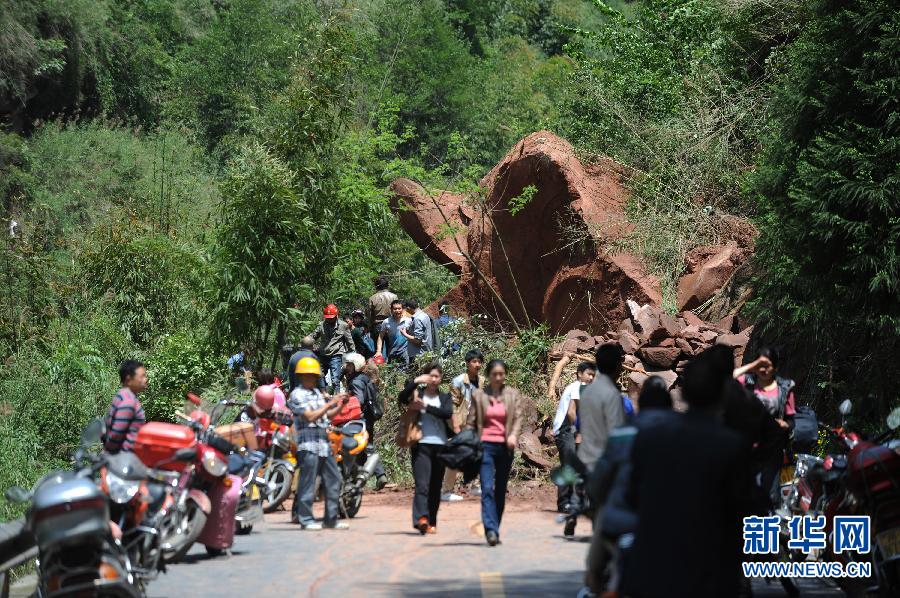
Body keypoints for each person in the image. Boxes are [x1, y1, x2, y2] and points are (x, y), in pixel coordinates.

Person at [623, 351, 749, 598]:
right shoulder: (732, 445)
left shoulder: (650, 437)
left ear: (685, 393)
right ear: (723, 393)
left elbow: (632, 497)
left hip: (651, 572)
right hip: (708, 576)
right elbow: (740, 510)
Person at [583, 376, 674, 595]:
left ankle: (594, 582)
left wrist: (593, 498)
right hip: (669, 522)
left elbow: (601, 478)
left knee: (594, 570)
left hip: (620, 521)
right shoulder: (681, 434)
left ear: (640, 405)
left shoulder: (622, 433)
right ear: (670, 407)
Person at [287, 356, 350, 530]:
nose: (312, 378)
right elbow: (310, 416)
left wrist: (340, 405)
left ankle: (331, 519)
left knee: (334, 480)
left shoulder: (316, 393)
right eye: (309, 375)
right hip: (308, 445)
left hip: (323, 444)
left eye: (314, 376)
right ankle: (305, 519)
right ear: (301, 376)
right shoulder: (296, 395)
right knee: (308, 483)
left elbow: (326, 416)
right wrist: (330, 402)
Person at [466, 359, 524, 546]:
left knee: (500, 490)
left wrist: (513, 436)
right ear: (489, 376)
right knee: (487, 489)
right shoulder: (479, 395)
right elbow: (471, 421)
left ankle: (495, 526)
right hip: (485, 447)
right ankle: (490, 530)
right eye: (494, 374)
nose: (498, 377)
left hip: (505, 448)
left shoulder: (512, 394)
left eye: (501, 374)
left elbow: (517, 418)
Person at [733, 347, 796, 504]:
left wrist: (784, 425)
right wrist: (753, 365)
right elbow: (728, 378)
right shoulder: (747, 382)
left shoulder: (785, 388)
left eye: (766, 365)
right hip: (746, 448)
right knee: (743, 495)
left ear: (775, 367)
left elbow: (791, 420)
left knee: (770, 496)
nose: (762, 369)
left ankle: (765, 526)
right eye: (759, 364)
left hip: (772, 451)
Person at [398, 362, 452, 534]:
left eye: (437, 376)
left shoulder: (445, 398)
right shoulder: (417, 394)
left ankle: (432, 521)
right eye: (431, 376)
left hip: (441, 446)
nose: (434, 380)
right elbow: (402, 397)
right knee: (422, 485)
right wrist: (415, 381)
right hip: (421, 445)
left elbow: (447, 413)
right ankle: (421, 518)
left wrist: (426, 407)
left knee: (435, 487)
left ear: (441, 379)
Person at [552, 361, 596, 514]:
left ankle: (578, 502)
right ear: (579, 374)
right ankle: (564, 503)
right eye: (588, 374)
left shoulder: (583, 389)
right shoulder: (577, 387)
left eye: (593, 375)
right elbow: (572, 412)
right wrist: (577, 432)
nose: (591, 378)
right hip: (566, 431)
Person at [442, 349, 485, 502]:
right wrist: (456, 427)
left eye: (479, 361)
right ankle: (446, 490)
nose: (477, 364)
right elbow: (452, 406)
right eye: (474, 361)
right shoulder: (458, 381)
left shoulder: (482, 381)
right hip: (460, 424)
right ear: (467, 363)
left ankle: (475, 486)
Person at [342, 352, 388, 490]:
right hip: (368, 417)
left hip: (361, 419)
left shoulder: (356, 381)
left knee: (365, 446)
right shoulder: (363, 378)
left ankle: (380, 475)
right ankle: (358, 481)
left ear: (354, 366)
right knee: (362, 448)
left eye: (348, 364)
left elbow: (359, 400)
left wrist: (346, 401)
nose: (345, 366)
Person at [104, 360, 148, 454]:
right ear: (128, 379)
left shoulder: (121, 395)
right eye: (142, 376)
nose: (146, 379)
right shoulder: (128, 401)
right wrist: (109, 452)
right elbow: (116, 434)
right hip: (123, 459)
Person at [312, 304, 354, 391]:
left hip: (336, 355)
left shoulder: (343, 326)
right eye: (328, 317)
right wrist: (304, 342)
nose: (329, 319)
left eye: (331, 317)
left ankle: (336, 399)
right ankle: (325, 394)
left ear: (336, 316)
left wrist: (352, 356)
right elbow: (313, 336)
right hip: (323, 355)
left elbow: (350, 342)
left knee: (335, 379)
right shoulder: (321, 325)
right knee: (319, 376)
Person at [376, 300, 411, 366]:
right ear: (391, 310)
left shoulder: (408, 321)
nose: (397, 311)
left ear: (402, 309)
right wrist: (378, 351)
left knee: (406, 371)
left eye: (399, 308)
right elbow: (381, 337)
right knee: (392, 371)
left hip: (406, 351)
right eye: (395, 309)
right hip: (392, 351)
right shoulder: (386, 322)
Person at [367, 275, 397, 349]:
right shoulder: (394, 296)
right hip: (391, 323)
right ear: (387, 285)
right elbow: (398, 311)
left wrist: (370, 326)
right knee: (392, 348)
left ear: (377, 286)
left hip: (377, 325)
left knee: (378, 349)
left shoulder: (372, 298)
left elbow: (370, 315)